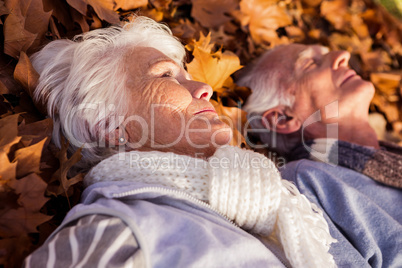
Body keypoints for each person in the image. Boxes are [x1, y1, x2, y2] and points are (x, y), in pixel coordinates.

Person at [23, 18, 337, 268]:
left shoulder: (263, 205)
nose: (205, 89)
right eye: (166, 76)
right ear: (110, 125)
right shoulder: (116, 233)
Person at [237, 43, 402, 267]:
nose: (343, 55)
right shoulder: (306, 184)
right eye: (310, 64)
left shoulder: (390, 159)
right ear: (282, 119)